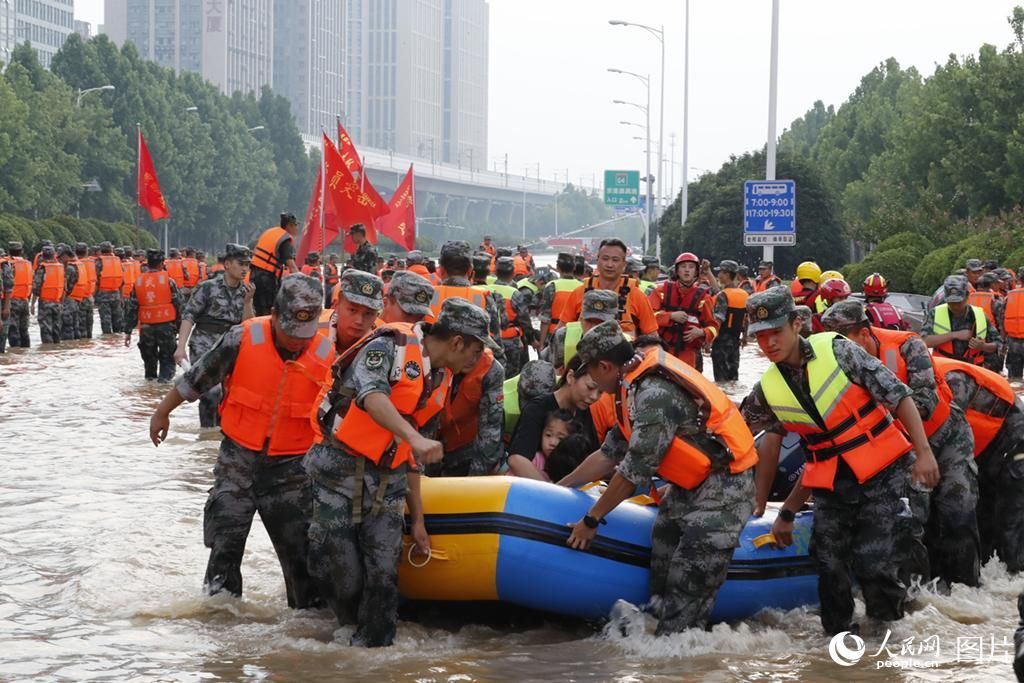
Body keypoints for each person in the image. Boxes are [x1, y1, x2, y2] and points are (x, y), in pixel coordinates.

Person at [741, 287, 940, 635]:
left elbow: (900, 398)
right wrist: (785, 512)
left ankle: (885, 639)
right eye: (760, 336)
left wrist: (923, 453)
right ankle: (836, 644)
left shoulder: (838, 350)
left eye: (776, 332)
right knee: (828, 562)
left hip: (884, 475)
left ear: (797, 323)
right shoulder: (768, 387)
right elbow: (734, 432)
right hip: (833, 486)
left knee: (875, 562)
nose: (769, 343)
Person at [305, 298, 494, 647]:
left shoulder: (441, 379)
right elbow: (372, 396)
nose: (478, 359)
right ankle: (341, 643)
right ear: (457, 343)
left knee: (383, 578)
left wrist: (418, 519)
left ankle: (376, 657)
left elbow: (413, 457)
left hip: (388, 484)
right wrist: (413, 437)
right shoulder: (389, 346)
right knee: (341, 572)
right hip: (338, 474)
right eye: (476, 350)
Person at [562, 321, 758, 634]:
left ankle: (682, 646)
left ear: (604, 365)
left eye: (591, 371)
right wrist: (560, 487)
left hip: (725, 484)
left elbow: (633, 470)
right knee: (662, 555)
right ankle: (662, 643)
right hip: (690, 484)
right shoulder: (629, 387)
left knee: (688, 576)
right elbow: (608, 454)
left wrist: (592, 520)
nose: (592, 379)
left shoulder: (653, 393)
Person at [149, 275, 333, 607]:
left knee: (302, 561)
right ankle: (220, 629)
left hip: (292, 470)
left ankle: (303, 633)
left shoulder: (327, 353)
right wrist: (162, 412)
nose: (297, 341)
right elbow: (196, 379)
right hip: (237, 461)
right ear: (275, 314)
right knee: (224, 548)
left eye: (304, 333)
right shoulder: (243, 338)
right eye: (290, 331)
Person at [821, 301, 980, 588]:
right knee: (908, 521)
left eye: (844, 342)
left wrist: (888, 408)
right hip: (899, 448)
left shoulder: (908, 346)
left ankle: (967, 589)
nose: (839, 353)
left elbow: (924, 400)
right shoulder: (834, 366)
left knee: (957, 508)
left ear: (865, 335)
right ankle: (918, 598)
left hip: (945, 436)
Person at [930, 356, 1024, 574]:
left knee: (1012, 531)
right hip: (983, 454)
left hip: (1014, 443)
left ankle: (1012, 590)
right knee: (982, 527)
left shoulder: (950, 379)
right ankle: (981, 590)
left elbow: (944, 433)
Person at [174, 244, 256, 427]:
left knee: (228, 396)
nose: (245, 269)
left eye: (247, 265)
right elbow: (189, 316)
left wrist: (248, 302)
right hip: (204, 345)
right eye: (240, 263)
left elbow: (248, 326)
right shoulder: (207, 288)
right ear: (227, 264)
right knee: (211, 392)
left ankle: (218, 436)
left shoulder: (246, 292)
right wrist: (180, 348)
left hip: (230, 348)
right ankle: (206, 434)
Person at [506, 353, 606, 480]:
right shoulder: (537, 408)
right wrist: (552, 492)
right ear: (570, 377)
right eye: (590, 387)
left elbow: (592, 456)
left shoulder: (583, 410)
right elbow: (517, 459)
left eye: (601, 392)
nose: (594, 397)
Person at [435, 337, 506, 477]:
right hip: (430, 444)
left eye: (477, 352)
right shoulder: (433, 359)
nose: (471, 358)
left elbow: (490, 433)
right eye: (464, 350)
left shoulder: (491, 370)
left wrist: (474, 480)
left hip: (467, 449)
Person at [559, 238, 658, 337]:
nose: (609, 265)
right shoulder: (579, 293)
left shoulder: (637, 296)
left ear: (624, 265)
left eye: (615, 260)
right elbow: (560, 333)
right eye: (605, 259)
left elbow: (652, 337)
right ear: (597, 261)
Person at [426, 241, 504, 362]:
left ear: (441, 270)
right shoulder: (485, 298)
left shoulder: (427, 295)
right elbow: (496, 343)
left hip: (433, 369)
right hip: (472, 372)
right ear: (470, 271)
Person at [649, 251, 719, 370]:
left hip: (689, 353)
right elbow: (648, 318)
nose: (687, 270)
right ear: (677, 271)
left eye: (691, 267)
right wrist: (670, 316)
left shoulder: (704, 298)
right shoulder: (661, 291)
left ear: (696, 272)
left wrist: (701, 332)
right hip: (661, 351)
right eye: (683, 267)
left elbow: (714, 327)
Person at [124, 250, 182, 382]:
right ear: (162, 263)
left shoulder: (138, 282)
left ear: (148, 264)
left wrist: (128, 331)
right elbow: (178, 305)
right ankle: (162, 392)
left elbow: (132, 308)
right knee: (167, 361)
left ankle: (149, 392)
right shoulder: (169, 281)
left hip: (146, 328)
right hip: (167, 326)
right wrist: (180, 327)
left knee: (149, 364)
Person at [922, 275, 1000, 366]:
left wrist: (983, 346)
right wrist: (954, 335)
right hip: (945, 367)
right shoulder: (935, 313)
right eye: (951, 302)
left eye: (959, 302)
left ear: (967, 296)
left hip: (973, 367)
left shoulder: (979, 315)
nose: (955, 306)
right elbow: (924, 341)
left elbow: (997, 343)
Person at [545, 289, 619, 375]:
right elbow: (547, 373)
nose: (593, 328)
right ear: (581, 319)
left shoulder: (625, 344)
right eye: (589, 321)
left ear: (615, 322)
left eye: (601, 322)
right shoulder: (563, 336)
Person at [486, 255, 537, 378]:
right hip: (511, 341)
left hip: (490, 340)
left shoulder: (487, 289)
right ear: (513, 273)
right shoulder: (514, 294)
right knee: (513, 375)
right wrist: (531, 340)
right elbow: (525, 321)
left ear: (496, 272)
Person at [251, 213, 300, 316]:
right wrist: (302, 282)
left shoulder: (271, 232)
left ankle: (259, 329)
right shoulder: (285, 239)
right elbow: (292, 266)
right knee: (270, 310)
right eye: (295, 225)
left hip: (254, 275)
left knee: (259, 308)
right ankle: (268, 330)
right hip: (266, 278)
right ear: (289, 226)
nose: (296, 229)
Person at [711, 260, 748, 382]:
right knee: (733, 378)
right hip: (736, 341)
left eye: (720, 272)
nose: (718, 275)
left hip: (721, 342)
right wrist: (745, 337)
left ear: (727, 274)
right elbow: (746, 319)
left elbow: (719, 319)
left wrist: (709, 339)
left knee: (721, 380)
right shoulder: (744, 294)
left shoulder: (723, 295)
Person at [538, 252, 580, 345]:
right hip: (576, 335)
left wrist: (541, 343)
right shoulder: (582, 286)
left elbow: (545, 318)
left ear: (557, 267)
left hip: (554, 334)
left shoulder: (552, 286)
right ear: (574, 268)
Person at [31, 245, 67, 344]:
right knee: (57, 329)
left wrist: (33, 304)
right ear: (53, 255)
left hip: (45, 303)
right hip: (57, 302)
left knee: (46, 330)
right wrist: (61, 302)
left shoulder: (42, 268)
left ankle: (47, 352)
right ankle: (56, 351)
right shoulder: (61, 267)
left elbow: (36, 288)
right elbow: (64, 287)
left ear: (42, 255)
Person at [5, 241, 31, 348]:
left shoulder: (9, 264)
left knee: (13, 329)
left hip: (13, 301)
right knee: (24, 329)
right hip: (25, 300)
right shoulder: (27, 264)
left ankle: (16, 353)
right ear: (22, 251)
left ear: (8, 251)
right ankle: (25, 351)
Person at [95, 242, 124, 334]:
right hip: (116, 293)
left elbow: (96, 280)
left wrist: (94, 295)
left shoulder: (99, 262)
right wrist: (121, 297)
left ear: (101, 250)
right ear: (111, 250)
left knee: (105, 321)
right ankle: (117, 342)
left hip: (103, 294)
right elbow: (122, 281)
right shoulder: (118, 261)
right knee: (118, 320)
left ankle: (107, 341)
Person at [56, 245, 81, 340]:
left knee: (67, 329)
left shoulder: (68, 269)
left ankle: (67, 349)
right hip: (73, 300)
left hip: (66, 301)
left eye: (60, 256)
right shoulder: (74, 266)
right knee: (74, 327)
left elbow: (68, 286)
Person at [1005, 281, 1024, 379]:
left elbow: (1002, 317)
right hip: (1014, 341)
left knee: (1014, 379)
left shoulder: (1009, 296)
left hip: (1013, 342)